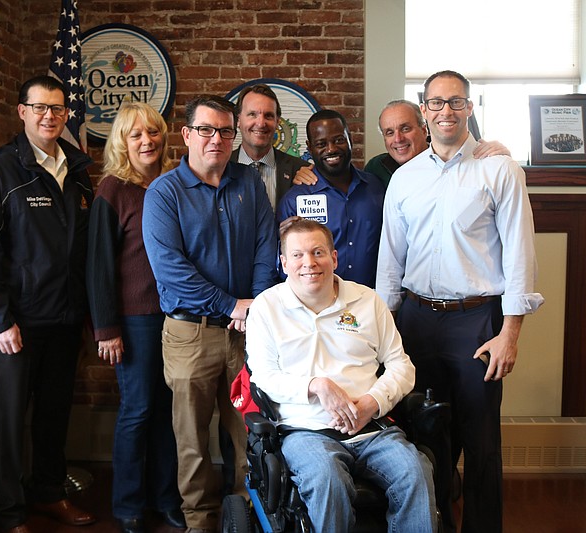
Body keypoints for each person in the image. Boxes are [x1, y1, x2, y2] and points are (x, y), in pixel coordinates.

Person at [375, 70, 544, 533]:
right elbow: (390, 260)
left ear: (470, 108)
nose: (446, 111)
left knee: (481, 439)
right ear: (424, 110)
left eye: (456, 102)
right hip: (415, 321)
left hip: (477, 323)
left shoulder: (500, 169)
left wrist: (510, 334)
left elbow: (520, 257)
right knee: (425, 436)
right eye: (436, 103)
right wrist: (383, 332)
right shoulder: (404, 179)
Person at [247, 219, 437, 533]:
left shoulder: (368, 301)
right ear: (283, 264)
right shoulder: (267, 308)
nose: (309, 263)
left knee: (415, 471)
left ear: (334, 258)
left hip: (372, 429)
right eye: (297, 255)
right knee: (328, 479)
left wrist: (371, 404)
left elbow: (401, 367)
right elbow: (264, 377)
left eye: (318, 252)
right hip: (305, 431)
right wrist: (315, 386)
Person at [142, 95, 278, 533]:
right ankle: (199, 522)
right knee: (192, 442)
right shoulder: (164, 192)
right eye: (206, 129)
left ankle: (246, 518)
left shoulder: (248, 183)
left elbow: (264, 247)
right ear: (187, 134)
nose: (216, 139)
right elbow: (171, 270)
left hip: (246, 333)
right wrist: (230, 304)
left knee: (251, 435)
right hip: (190, 334)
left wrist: (253, 304)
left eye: (224, 130)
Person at [0, 75, 96, 533]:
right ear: (22, 112)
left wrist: (84, 314)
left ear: (66, 115)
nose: (49, 116)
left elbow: (82, 252)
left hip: (64, 320)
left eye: (57, 109)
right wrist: (0, 320)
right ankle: (12, 513)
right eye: (39, 107)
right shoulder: (1, 172)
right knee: (8, 421)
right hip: (16, 325)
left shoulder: (78, 173)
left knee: (53, 415)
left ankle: (48, 493)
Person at [86, 103, 184, 533]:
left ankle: (165, 499)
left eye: (154, 133)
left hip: (175, 317)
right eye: (136, 135)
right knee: (139, 409)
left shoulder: (172, 185)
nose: (147, 141)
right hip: (135, 319)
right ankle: (127, 506)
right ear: (122, 143)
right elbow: (98, 266)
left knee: (169, 411)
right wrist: (106, 329)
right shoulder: (112, 190)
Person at [277, 109, 385, 288]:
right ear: (310, 148)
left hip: (368, 301)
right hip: (317, 304)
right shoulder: (294, 200)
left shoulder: (375, 187)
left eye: (339, 140)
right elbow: (283, 268)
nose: (331, 149)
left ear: (350, 139)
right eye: (321, 143)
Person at [296, 99, 509, 188]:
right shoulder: (376, 169)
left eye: (405, 128)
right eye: (389, 132)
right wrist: (310, 173)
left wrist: (502, 154)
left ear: (423, 128)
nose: (398, 139)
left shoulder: (450, 162)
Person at [230, 83, 308, 210]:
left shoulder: (300, 170)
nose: (261, 123)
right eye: (252, 114)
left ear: (277, 122)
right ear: (238, 120)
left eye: (268, 116)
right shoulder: (220, 168)